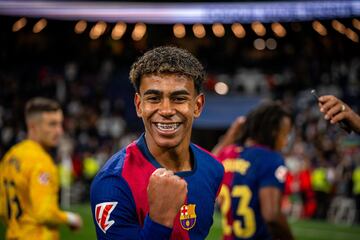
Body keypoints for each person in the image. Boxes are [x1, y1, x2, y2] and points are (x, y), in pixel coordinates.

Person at [90, 46, 224, 239]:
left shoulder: (213, 169)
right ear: (139, 105)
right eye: (154, 98)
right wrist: (160, 220)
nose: (166, 110)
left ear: (197, 106)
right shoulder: (114, 182)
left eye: (178, 98)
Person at [0, 97, 83, 240]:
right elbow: (44, 213)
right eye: (52, 124)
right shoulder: (41, 162)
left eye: (60, 124)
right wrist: (70, 218)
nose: (59, 131)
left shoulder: (10, 157)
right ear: (33, 126)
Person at [215, 102, 294, 240]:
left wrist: (230, 134)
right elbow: (272, 216)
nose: (286, 141)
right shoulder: (271, 158)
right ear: (273, 132)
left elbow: (210, 161)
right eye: (285, 134)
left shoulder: (227, 154)